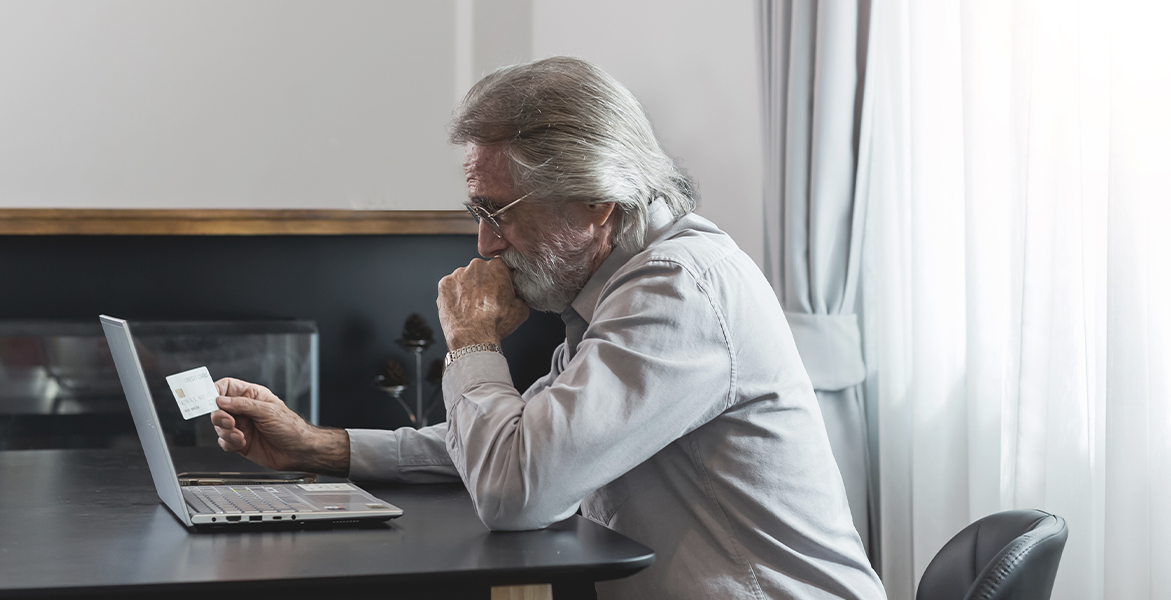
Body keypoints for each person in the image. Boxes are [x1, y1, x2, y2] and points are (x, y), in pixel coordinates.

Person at [209, 57, 884, 600]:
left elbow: (515, 489)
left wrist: (472, 342)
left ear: (597, 202)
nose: (485, 244)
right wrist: (316, 449)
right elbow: (516, 444)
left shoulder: (677, 289)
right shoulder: (609, 289)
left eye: (499, 211)